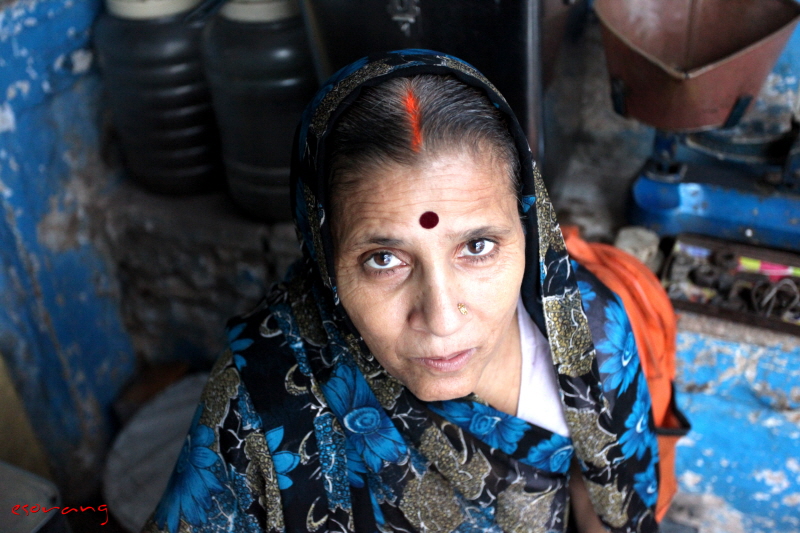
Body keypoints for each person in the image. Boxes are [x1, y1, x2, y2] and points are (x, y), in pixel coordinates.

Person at [142, 50, 659, 533]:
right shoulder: (260, 401)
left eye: (477, 246)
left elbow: (608, 504)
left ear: (531, 229)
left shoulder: (591, 336)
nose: (441, 318)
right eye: (384, 260)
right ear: (326, 257)